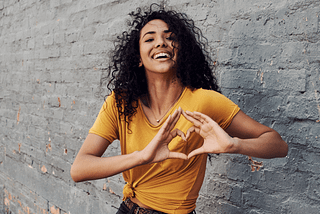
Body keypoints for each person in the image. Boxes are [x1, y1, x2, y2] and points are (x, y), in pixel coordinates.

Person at [70, 4, 288, 214]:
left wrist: (235, 145)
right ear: (138, 57)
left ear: (181, 50)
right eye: (150, 39)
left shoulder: (205, 102)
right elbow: (79, 169)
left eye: (170, 37)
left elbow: (278, 145)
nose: (161, 43)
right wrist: (142, 156)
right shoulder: (121, 103)